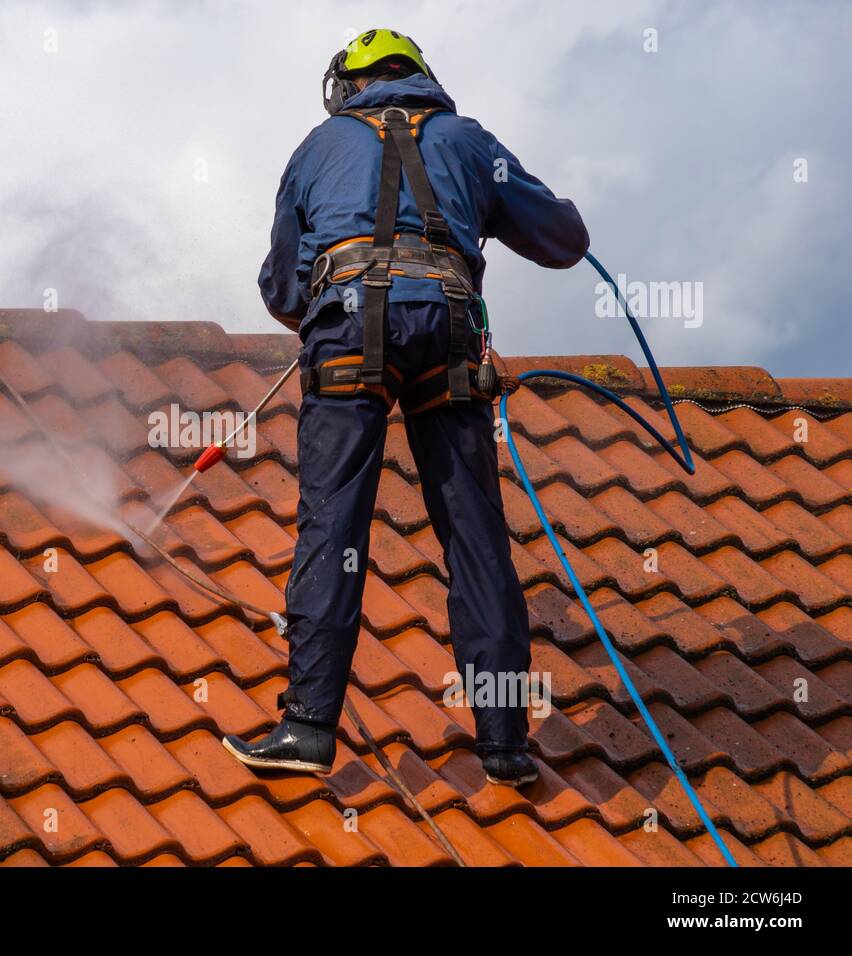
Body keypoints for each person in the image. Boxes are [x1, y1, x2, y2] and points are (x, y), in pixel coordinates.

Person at [223, 28, 589, 786]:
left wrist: (336, 301)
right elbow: (561, 240)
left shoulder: (318, 147)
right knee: (475, 533)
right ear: (419, 79)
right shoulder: (465, 138)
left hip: (350, 330)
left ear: (348, 86)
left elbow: (284, 291)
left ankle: (307, 728)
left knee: (334, 525)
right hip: (450, 330)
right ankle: (504, 742)